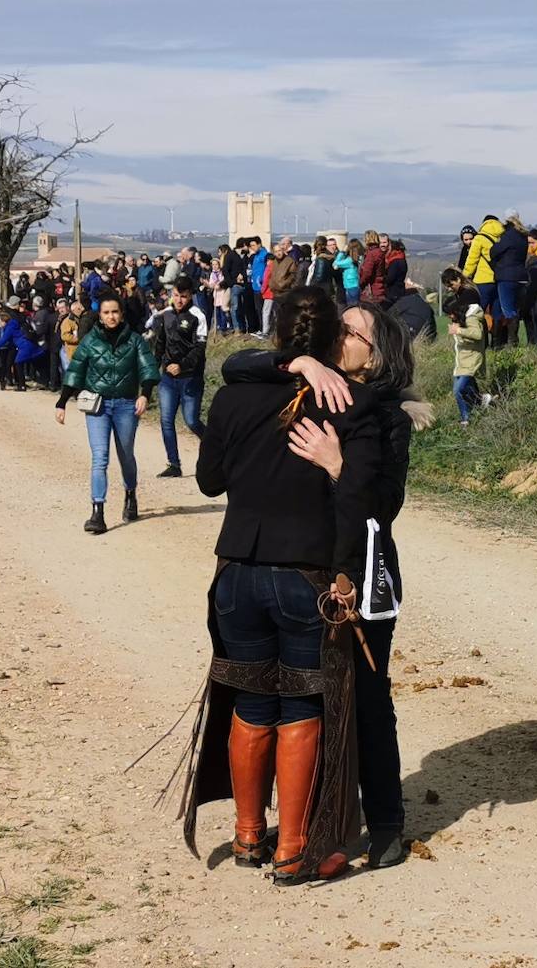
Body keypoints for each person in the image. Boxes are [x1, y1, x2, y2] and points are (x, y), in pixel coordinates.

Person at [184, 286, 381, 884]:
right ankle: (293, 846)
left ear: (275, 331)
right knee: (301, 705)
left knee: (251, 701)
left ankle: (248, 837)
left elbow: (208, 482)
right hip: (307, 576)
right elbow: (367, 502)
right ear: (329, 342)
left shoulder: (235, 398)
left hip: (237, 572)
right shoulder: (352, 403)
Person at [219, 299, 423, 870]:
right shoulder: (310, 387)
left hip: (361, 573)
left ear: (375, 355)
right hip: (303, 572)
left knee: (366, 699)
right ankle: (315, 823)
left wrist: (339, 467)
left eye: (350, 332)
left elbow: (385, 507)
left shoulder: (385, 415)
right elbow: (236, 367)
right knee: (308, 698)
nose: (338, 335)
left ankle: (384, 824)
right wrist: (301, 364)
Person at [55, 293, 158, 534]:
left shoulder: (134, 341)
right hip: (98, 406)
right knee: (100, 457)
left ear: (121, 314)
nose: (111, 316)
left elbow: (148, 368)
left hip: (125, 405)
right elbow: (75, 371)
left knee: (126, 456)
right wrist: (61, 402)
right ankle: (97, 512)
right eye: (106, 312)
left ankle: (130, 494)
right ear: (99, 316)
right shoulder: (90, 342)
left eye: (115, 312)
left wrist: (145, 394)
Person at [150, 277, 209, 478]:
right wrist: (153, 369)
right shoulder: (165, 315)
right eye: (176, 295)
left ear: (190, 295)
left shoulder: (197, 316)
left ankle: (215, 446)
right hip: (167, 378)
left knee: (191, 421)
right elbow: (160, 345)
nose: (179, 300)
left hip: (190, 377)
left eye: (183, 296)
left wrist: (182, 365)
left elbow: (200, 348)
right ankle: (174, 464)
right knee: (166, 420)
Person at [441, 267, 489, 427]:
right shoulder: (462, 294)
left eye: (450, 284)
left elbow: (475, 329)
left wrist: (458, 329)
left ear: (458, 279)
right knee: (466, 380)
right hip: (465, 351)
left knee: (461, 386)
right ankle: (478, 403)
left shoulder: (469, 295)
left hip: (472, 348)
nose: (449, 288)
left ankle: (473, 409)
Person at [488, 210, 529, 348]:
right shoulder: (523, 235)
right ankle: (512, 342)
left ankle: (511, 343)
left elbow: (494, 251)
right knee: (515, 310)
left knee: (508, 310)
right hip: (521, 276)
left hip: (506, 276)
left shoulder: (507, 235)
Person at [0, 304, 44, 391]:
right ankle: (42, 381)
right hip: (27, 345)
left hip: (24, 346)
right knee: (32, 363)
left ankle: (22, 385)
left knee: (18, 363)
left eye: (0, 322)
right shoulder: (12, 324)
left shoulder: (9, 328)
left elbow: (2, 341)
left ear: (3, 321)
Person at [460, 215, 502, 323]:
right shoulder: (502, 238)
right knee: (497, 314)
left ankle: (478, 337)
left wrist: (464, 277)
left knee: (477, 312)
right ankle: (498, 339)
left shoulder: (480, 239)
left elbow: (472, 261)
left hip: (483, 280)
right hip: (499, 280)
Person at [358, 229, 387, 304]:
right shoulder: (379, 252)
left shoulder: (371, 254)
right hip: (379, 288)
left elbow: (367, 273)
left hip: (372, 291)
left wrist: (359, 284)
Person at [383, 237, 409, 308]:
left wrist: (381, 278)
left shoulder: (395, 262)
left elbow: (390, 278)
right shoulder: (402, 260)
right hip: (400, 290)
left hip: (392, 293)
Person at [335, 239, 362, 306]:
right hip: (357, 285)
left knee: (352, 307)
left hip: (350, 287)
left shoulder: (349, 261)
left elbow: (335, 263)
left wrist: (342, 252)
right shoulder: (360, 257)